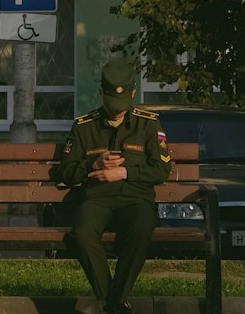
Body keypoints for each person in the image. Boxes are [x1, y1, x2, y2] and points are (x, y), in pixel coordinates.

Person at [58, 59, 171, 314]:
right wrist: (92, 165)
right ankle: (115, 304)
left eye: (122, 104)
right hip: (97, 199)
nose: (116, 110)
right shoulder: (84, 127)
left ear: (132, 93)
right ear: (101, 92)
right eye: (111, 102)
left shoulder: (148, 124)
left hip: (135, 199)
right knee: (82, 232)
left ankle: (113, 304)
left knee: (141, 230)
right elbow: (64, 170)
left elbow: (162, 169)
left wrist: (126, 172)